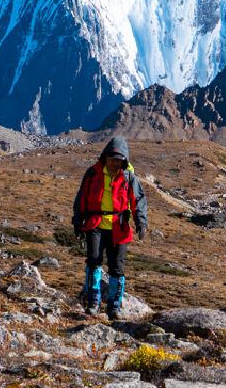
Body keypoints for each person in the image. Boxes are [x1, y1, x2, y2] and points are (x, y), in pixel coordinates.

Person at [71, 136, 148, 319]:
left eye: (118, 161)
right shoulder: (92, 173)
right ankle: (93, 303)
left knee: (117, 268)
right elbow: (82, 198)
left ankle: (114, 307)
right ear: (105, 157)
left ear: (124, 161)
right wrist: (77, 221)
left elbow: (138, 201)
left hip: (118, 227)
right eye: (112, 159)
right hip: (95, 224)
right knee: (93, 261)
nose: (115, 164)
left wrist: (141, 223)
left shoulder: (129, 177)